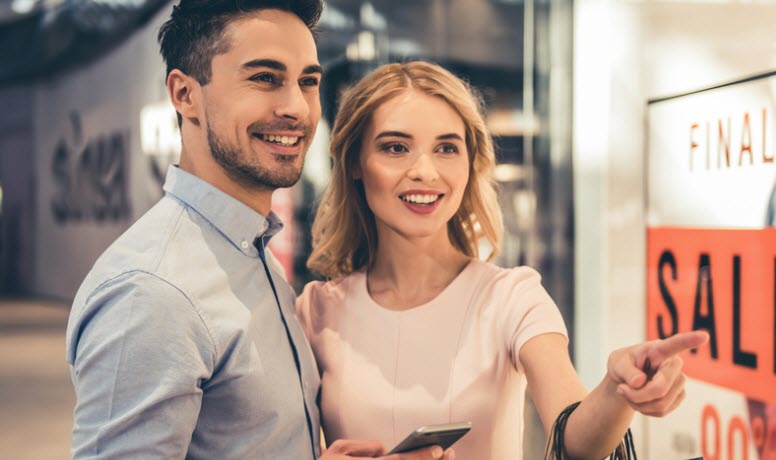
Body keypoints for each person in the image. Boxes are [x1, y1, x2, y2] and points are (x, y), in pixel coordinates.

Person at [66, 2, 451, 459]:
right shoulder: (152, 291)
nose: (295, 108)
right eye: (265, 78)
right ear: (185, 94)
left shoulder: (250, 253)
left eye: (308, 81)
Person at [297, 61, 709, 460]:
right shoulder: (315, 311)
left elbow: (575, 438)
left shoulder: (511, 297)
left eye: (446, 148)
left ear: (468, 163)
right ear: (354, 163)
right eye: (396, 148)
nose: (425, 170)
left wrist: (617, 388)